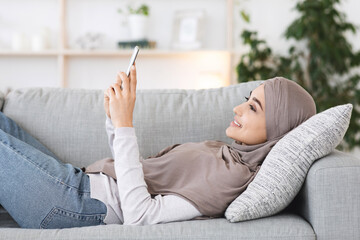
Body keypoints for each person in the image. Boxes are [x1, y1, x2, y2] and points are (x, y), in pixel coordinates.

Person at [0, 64, 316, 229]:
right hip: (77, 185)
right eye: (247, 100)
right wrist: (114, 120)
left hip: (74, 204)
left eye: (254, 108)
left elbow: (138, 215)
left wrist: (125, 125)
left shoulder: (232, 178)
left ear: (278, 128)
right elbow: (138, 177)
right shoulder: (225, 153)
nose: (238, 109)